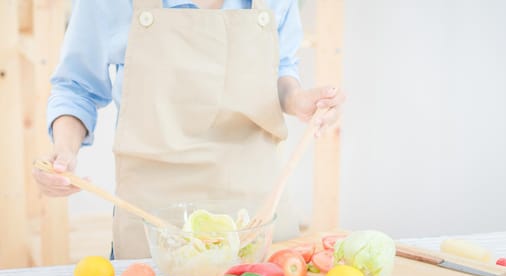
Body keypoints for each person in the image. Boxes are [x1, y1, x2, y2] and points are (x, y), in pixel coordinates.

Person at [33, 0, 346, 259]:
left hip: (255, 221)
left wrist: (296, 99)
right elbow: (77, 87)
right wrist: (64, 150)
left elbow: (281, 70)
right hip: (152, 226)